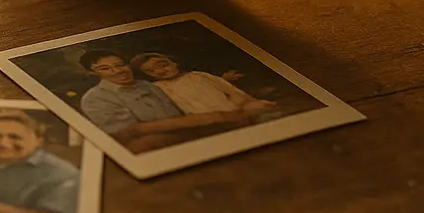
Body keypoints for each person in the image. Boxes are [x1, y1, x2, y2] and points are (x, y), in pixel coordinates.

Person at [76, 50, 258, 152]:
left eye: (120, 65)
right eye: (105, 68)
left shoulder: (149, 86)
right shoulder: (95, 98)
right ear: (94, 73)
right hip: (156, 149)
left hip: (193, 136)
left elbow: (183, 108)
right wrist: (216, 118)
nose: (118, 71)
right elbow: (129, 133)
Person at [130, 52, 277, 119]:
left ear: (174, 62)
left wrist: (249, 103)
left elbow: (230, 90)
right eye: (151, 71)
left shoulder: (199, 76)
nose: (160, 71)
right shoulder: (159, 87)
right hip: (206, 118)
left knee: (263, 111)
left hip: (234, 108)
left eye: (163, 65)